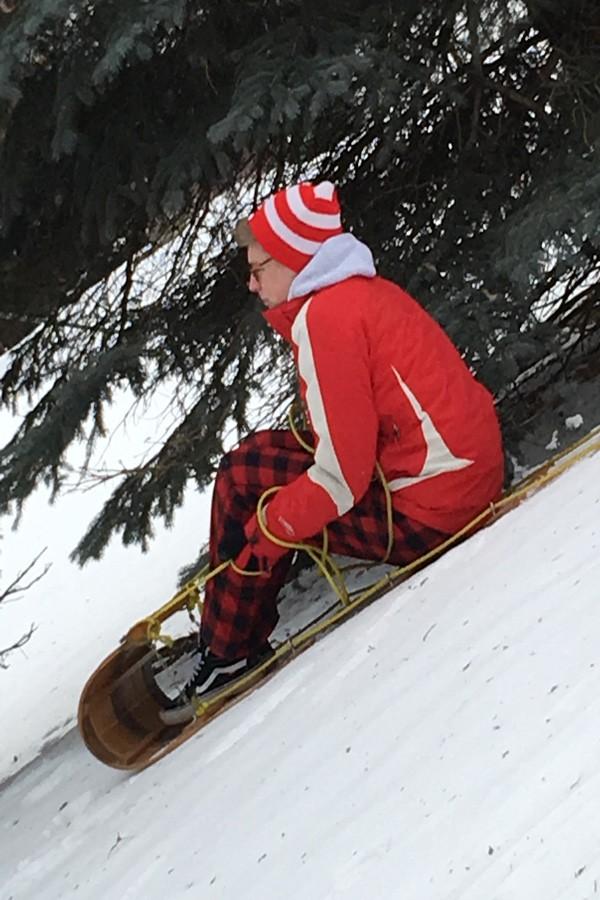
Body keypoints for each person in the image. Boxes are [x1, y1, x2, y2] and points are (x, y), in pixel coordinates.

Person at [168, 180, 504, 719]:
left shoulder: (327, 319)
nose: (252, 286)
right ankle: (225, 638)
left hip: (433, 512)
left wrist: (272, 526)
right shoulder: (358, 294)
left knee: (257, 496)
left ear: (298, 260)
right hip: (461, 476)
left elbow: (341, 478)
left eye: (259, 269)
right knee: (246, 467)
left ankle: (228, 649)